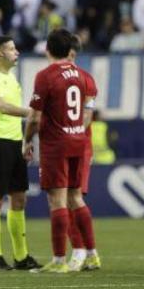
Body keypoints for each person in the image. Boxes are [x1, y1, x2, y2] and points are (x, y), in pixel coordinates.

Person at [24, 29, 101, 273]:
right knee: (75, 197)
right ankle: (92, 255)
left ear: (47, 49)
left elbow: (35, 117)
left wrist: (27, 140)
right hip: (79, 141)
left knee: (56, 200)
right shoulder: (83, 76)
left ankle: (59, 260)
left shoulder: (45, 76)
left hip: (56, 144)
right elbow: (88, 112)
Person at [0, 36, 41, 271]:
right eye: (12, 49)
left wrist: (26, 141)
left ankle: (21, 256)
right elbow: (1, 106)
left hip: (15, 143)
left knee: (19, 198)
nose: (17, 52)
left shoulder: (12, 79)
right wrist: (31, 112)